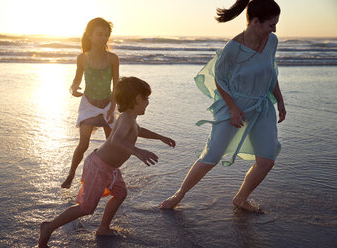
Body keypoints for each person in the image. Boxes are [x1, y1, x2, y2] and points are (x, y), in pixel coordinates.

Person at [160, 0, 286, 212]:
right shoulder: (232, 49)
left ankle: (240, 198)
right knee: (212, 156)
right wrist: (233, 108)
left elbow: (270, 74)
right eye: (271, 24)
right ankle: (178, 195)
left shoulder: (271, 41)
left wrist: (280, 100)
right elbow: (220, 79)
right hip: (233, 106)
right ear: (255, 22)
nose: (274, 29)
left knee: (266, 160)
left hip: (262, 107)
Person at [38, 77, 176, 247]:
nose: (147, 103)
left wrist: (160, 137)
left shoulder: (130, 119)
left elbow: (139, 131)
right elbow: (116, 140)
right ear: (138, 99)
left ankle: (103, 227)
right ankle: (48, 227)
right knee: (86, 208)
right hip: (98, 167)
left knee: (120, 194)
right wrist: (137, 151)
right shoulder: (125, 118)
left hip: (110, 169)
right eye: (146, 99)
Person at [61, 17, 120, 189]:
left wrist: (113, 108)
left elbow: (116, 85)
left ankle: (112, 177)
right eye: (99, 34)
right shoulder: (82, 58)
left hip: (108, 105)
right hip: (89, 106)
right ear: (90, 36)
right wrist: (73, 89)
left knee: (112, 145)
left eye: (106, 35)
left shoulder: (113, 59)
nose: (103, 38)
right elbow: (75, 81)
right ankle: (71, 174)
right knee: (83, 145)